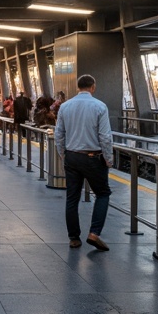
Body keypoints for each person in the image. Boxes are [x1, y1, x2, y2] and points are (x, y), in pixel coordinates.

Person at [54, 74, 113, 251]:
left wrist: (63, 154)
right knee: (103, 193)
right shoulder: (100, 106)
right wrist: (109, 159)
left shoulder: (65, 106)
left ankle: (74, 238)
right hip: (93, 157)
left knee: (72, 197)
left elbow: (59, 134)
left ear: (78, 87)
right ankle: (94, 233)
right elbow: (105, 137)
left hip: (72, 156)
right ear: (93, 87)